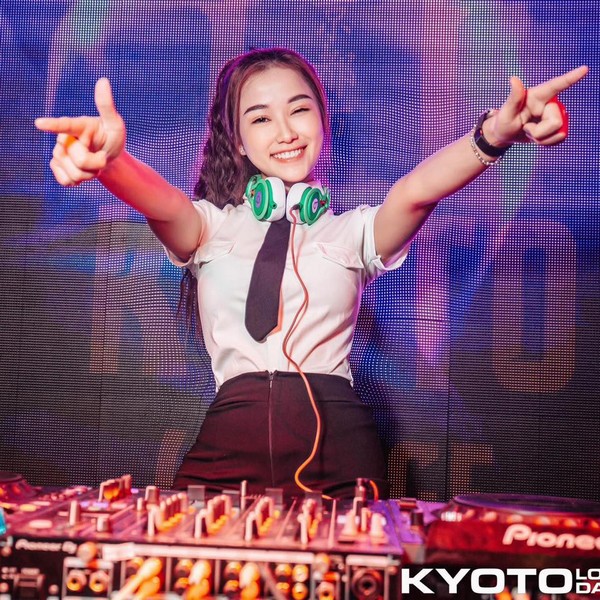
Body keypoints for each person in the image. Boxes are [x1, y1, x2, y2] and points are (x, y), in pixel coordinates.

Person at [35, 48, 588, 499]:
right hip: (230, 435)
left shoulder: (352, 232)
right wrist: (112, 163)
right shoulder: (209, 228)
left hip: (338, 444)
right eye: (260, 118)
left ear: (322, 120)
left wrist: (494, 134)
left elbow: (416, 192)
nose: (285, 131)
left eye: (298, 110)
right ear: (238, 140)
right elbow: (160, 201)